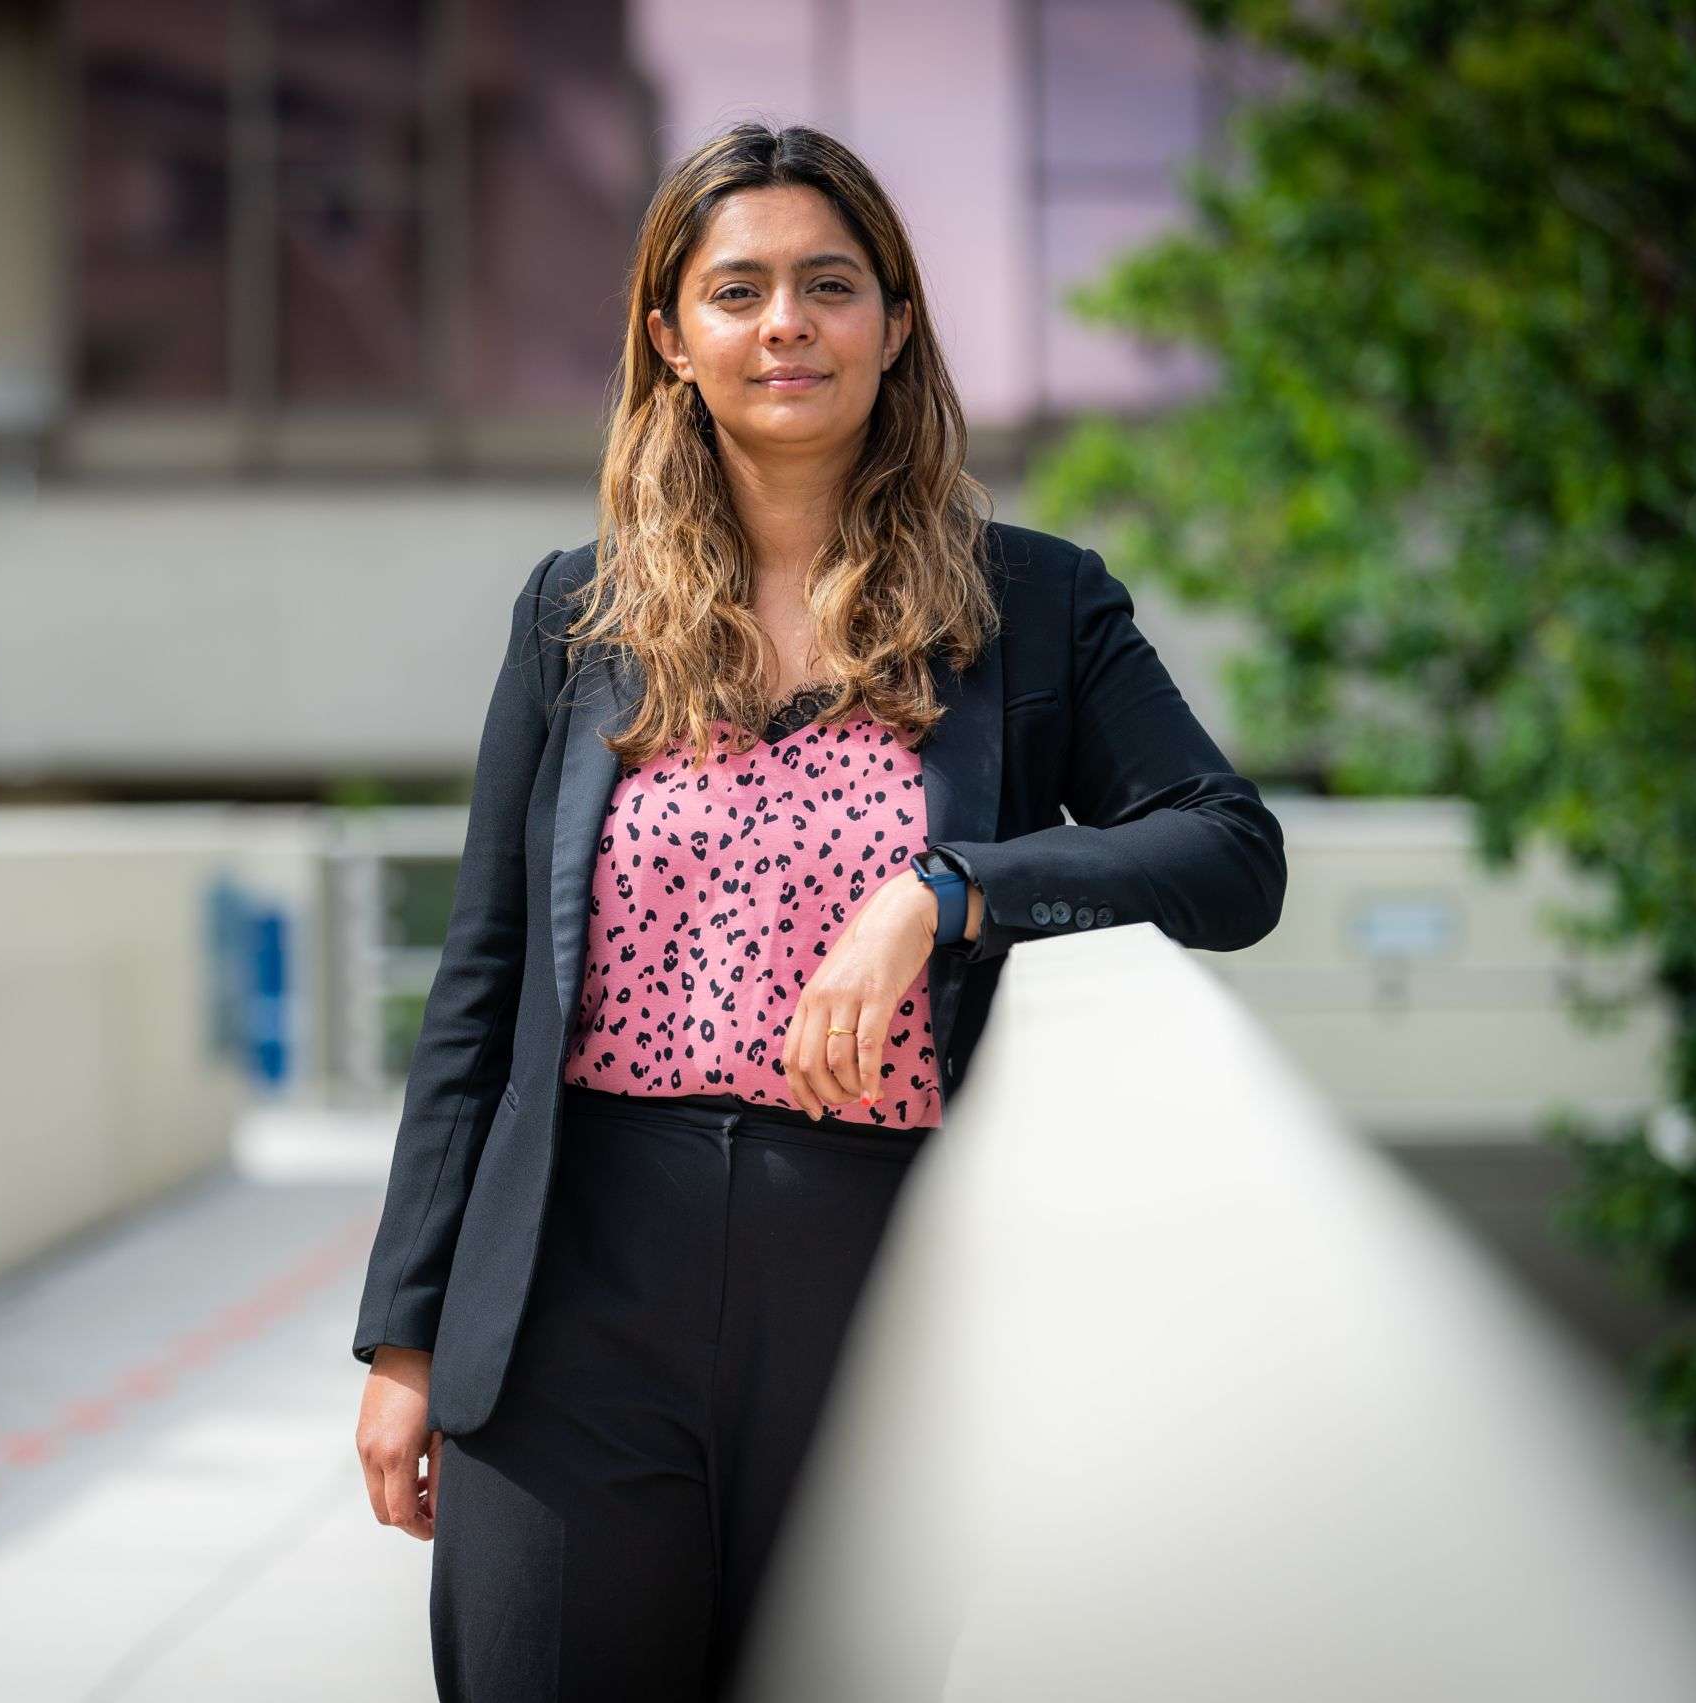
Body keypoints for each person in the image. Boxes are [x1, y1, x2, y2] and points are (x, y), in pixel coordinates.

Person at [349, 121, 1288, 1702]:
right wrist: (404, 1335)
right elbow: (482, 980)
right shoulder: (577, 613)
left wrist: (948, 891)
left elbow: (1228, 855)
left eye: (830, 285)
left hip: (882, 1285)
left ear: (896, 323)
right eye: (738, 290)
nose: (786, 323)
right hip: (579, 1278)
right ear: (672, 335)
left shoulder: (1036, 604)